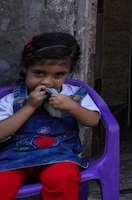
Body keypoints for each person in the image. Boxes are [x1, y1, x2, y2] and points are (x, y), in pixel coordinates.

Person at [0, 32, 101, 200]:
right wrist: (29, 107)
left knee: (64, 178)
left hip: (58, 156)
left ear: (68, 73)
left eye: (58, 75)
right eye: (39, 73)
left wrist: (72, 107)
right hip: (14, 159)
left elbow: (93, 121)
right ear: (25, 68)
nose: (47, 82)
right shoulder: (11, 99)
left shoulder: (75, 95)